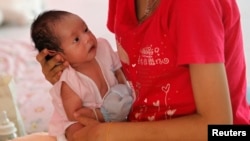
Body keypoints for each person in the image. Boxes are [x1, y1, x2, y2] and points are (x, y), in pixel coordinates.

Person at [34, 0, 250, 141]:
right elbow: (140, 64)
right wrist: (69, 73)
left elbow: (218, 127)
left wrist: (108, 133)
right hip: (140, 127)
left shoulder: (194, 6)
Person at [30, 10, 133, 141]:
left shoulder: (103, 47)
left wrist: (124, 92)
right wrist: (102, 115)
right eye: (76, 39)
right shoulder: (69, 81)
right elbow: (75, 114)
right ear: (58, 55)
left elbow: (118, 71)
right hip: (85, 117)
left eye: (86, 29)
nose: (88, 38)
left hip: (115, 105)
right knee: (76, 131)